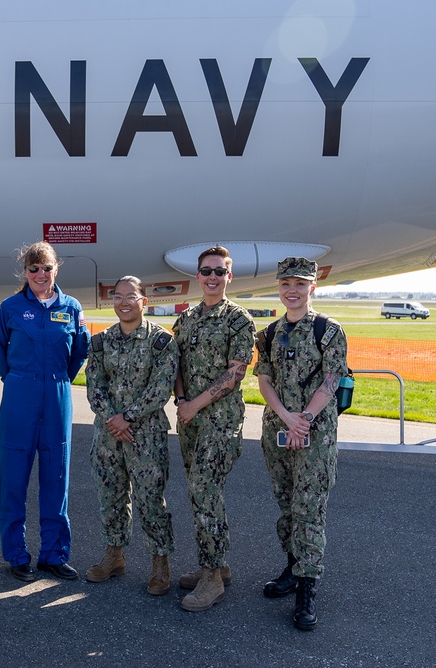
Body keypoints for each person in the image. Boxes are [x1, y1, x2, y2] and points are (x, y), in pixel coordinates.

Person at [254, 257, 348, 631]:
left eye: (299, 284)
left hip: (315, 433)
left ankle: (308, 585)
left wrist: (304, 418)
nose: (291, 290)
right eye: (285, 284)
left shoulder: (329, 330)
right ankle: (293, 568)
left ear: (312, 288)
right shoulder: (270, 333)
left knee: (309, 508)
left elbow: (332, 379)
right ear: (278, 288)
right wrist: (286, 416)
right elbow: (264, 380)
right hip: (278, 429)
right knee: (286, 503)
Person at [0, 241, 90, 582]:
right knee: (14, 478)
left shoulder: (71, 307)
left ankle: (53, 554)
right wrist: (18, 380)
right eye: (33, 269)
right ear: (25, 272)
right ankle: (17, 555)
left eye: (46, 268)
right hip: (20, 393)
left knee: (56, 476)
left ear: (55, 269)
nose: (40, 274)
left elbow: (79, 350)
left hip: (58, 392)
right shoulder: (11, 307)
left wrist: (59, 380)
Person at [172, 245, 255, 612]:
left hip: (220, 422)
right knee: (198, 492)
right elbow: (174, 365)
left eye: (219, 272)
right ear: (197, 275)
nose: (212, 277)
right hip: (190, 420)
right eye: (206, 271)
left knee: (206, 491)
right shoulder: (186, 319)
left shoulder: (239, 319)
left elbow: (235, 374)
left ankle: (211, 578)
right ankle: (218, 564)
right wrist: (180, 402)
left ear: (228, 277)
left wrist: (193, 404)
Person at [84, 276, 179, 595]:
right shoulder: (100, 342)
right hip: (108, 435)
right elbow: (94, 386)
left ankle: (160, 562)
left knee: (151, 499)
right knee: (110, 497)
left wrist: (127, 417)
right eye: (118, 296)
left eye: (131, 296)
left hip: (146, 435)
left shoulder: (161, 341)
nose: (124, 301)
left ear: (144, 301)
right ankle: (114, 554)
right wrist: (112, 418)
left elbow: (161, 388)